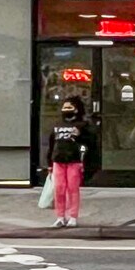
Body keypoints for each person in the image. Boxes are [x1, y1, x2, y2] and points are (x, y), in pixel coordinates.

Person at [48, 98, 93, 228]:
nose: (66, 110)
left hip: (74, 160)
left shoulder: (82, 125)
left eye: (70, 108)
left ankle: (73, 216)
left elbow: (89, 142)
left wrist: (80, 136)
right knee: (59, 189)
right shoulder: (56, 125)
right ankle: (60, 216)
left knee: (73, 189)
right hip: (58, 160)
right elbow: (52, 144)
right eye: (65, 108)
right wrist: (50, 163)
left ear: (76, 110)